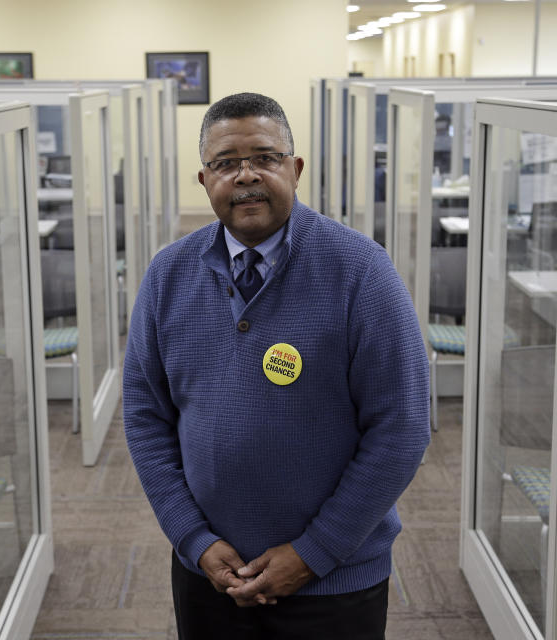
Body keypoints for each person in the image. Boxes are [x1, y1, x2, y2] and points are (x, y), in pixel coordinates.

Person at [123, 92, 429, 640]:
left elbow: (401, 428)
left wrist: (314, 553)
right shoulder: (167, 276)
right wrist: (192, 539)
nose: (246, 176)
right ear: (203, 179)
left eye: (264, 157)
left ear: (295, 168)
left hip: (335, 579)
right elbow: (147, 419)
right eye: (225, 163)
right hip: (211, 576)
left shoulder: (361, 271)